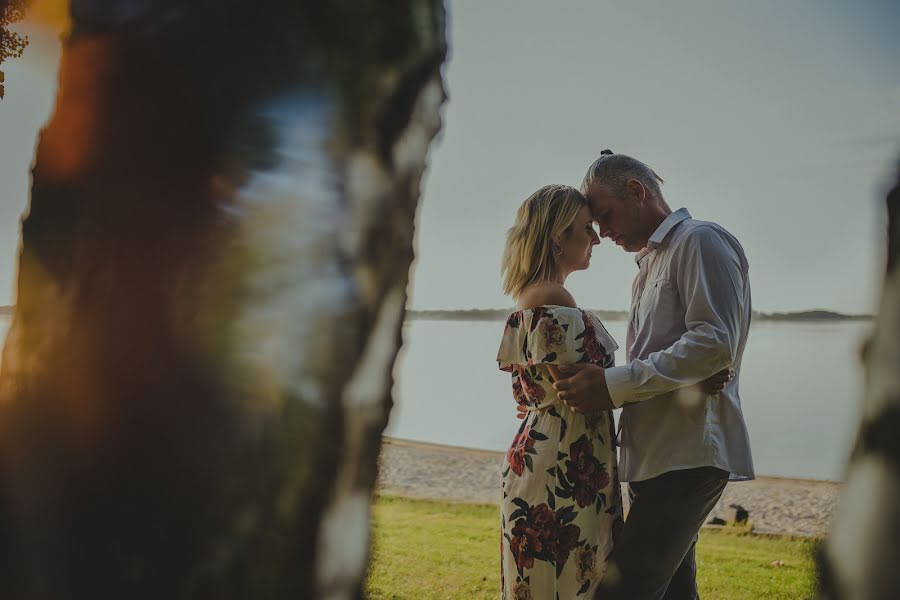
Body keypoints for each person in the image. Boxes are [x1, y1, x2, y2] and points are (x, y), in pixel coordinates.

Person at [496, 184, 732, 600]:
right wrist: (687, 381)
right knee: (569, 585)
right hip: (563, 464)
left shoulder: (540, 296)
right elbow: (579, 390)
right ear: (557, 236)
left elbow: (579, 389)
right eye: (586, 228)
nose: (596, 237)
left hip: (563, 455)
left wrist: (683, 378)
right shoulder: (553, 297)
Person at [553, 151, 754, 600]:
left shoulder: (700, 241)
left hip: (687, 456)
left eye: (604, 215)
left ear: (637, 192)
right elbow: (687, 357)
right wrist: (684, 376)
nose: (602, 233)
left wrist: (610, 386)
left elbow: (715, 343)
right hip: (653, 459)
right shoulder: (648, 267)